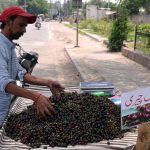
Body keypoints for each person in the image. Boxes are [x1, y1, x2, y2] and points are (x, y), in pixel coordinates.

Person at [0, 6, 64, 128]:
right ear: (8, 22)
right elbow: (3, 82)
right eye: (21, 25)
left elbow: (20, 73)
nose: (24, 30)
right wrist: (36, 97)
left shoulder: (9, 46)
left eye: (25, 26)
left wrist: (48, 82)